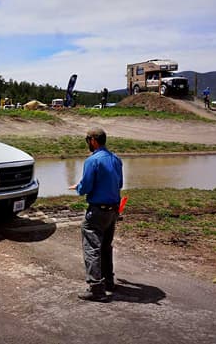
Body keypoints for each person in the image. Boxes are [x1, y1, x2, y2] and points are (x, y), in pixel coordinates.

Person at [69, 127, 123, 302]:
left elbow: (86, 187)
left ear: (93, 141)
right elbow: (119, 183)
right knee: (106, 247)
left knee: (92, 248)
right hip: (113, 210)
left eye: (88, 141)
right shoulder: (116, 159)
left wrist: (78, 187)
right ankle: (109, 281)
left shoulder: (92, 161)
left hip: (97, 211)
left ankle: (96, 288)